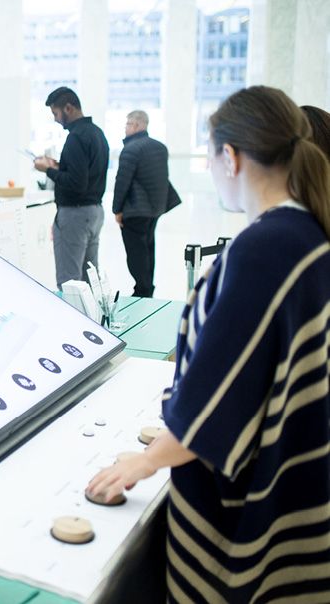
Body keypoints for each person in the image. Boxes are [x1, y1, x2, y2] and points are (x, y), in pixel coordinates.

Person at [86, 86, 330, 602]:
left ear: (230, 157)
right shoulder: (308, 235)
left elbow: (222, 390)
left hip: (248, 513)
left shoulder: (266, 247)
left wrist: (146, 461)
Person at [34, 87, 109, 290]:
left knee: (71, 284)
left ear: (68, 108)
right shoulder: (97, 133)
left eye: (55, 113)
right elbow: (85, 172)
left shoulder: (76, 137)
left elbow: (76, 183)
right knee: (89, 279)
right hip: (94, 212)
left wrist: (47, 170)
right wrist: (59, 166)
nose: (56, 119)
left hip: (75, 215)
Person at [112, 110, 181, 297]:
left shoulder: (131, 149)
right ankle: (147, 288)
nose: (125, 128)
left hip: (134, 211)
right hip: (155, 209)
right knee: (149, 248)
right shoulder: (160, 148)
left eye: (127, 124)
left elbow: (122, 181)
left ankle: (142, 290)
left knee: (136, 253)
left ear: (136, 125)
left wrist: (116, 209)